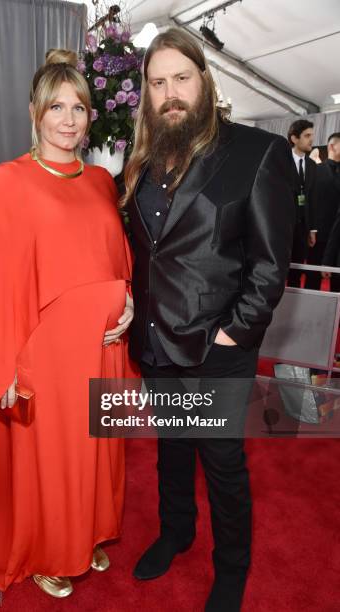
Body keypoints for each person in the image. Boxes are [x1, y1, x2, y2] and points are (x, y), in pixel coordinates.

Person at [122, 28, 294, 612]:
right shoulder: (139, 160)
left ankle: (232, 566)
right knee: (170, 445)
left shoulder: (256, 153)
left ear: (205, 80)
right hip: (154, 341)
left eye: (181, 78)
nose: (170, 92)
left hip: (217, 346)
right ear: (146, 93)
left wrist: (233, 334)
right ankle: (176, 531)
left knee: (221, 462)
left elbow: (271, 267)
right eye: (157, 82)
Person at [0, 48, 136, 598]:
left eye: (79, 108)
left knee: (97, 448)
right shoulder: (8, 182)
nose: (68, 119)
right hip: (49, 354)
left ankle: (86, 534)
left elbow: (119, 258)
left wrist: (128, 301)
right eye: (56, 107)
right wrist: (8, 367)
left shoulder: (102, 181)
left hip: (104, 347)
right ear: (35, 114)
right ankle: (49, 550)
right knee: (56, 458)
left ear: (92, 117)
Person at [307, 133, 340, 291]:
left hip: (339, 238)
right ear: (332, 146)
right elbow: (309, 203)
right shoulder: (315, 171)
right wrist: (311, 229)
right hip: (318, 236)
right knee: (312, 280)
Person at [286, 119, 318, 287]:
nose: (311, 139)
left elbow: (312, 198)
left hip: (303, 229)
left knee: (296, 272)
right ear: (294, 138)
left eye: (312, 135)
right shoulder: (281, 161)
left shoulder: (312, 165)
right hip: (283, 227)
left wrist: (312, 229)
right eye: (307, 135)